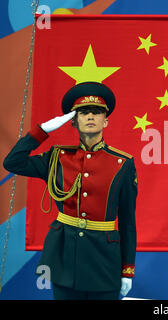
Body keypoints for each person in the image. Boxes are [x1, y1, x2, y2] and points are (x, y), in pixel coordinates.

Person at [3, 81, 137, 300]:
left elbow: (128, 221)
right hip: (64, 257)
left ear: (106, 120)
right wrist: (41, 131)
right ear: (73, 121)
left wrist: (127, 270)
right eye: (83, 112)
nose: (91, 116)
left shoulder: (122, 163)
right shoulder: (57, 158)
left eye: (97, 112)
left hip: (104, 261)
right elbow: (12, 163)